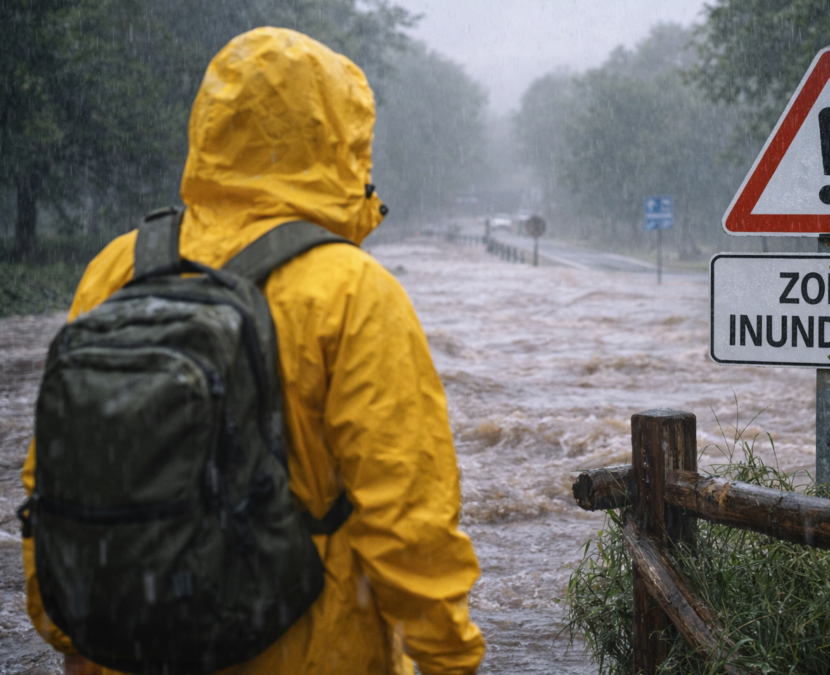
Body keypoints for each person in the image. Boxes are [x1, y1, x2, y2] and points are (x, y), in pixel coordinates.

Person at [21, 27, 486, 675]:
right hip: (302, 652)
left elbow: (52, 476)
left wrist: (72, 634)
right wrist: (448, 659)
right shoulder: (351, 287)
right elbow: (407, 515)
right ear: (339, 139)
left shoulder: (118, 266)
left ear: (211, 126)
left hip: (127, 649)